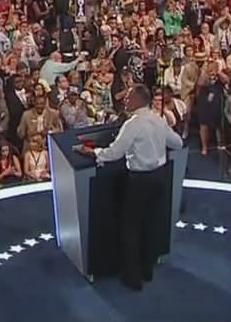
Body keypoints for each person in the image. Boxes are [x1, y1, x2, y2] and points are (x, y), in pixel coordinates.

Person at [76, 84, 183, 291]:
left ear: (138, 100)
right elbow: (177, 143)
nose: (125, 100)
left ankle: (132, 277)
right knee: (150, 224)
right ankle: (147, 270)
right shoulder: (157, 120)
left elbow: (114, 152)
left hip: (139, 181)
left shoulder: (133, 124)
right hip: (159, 178)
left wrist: (93, 153)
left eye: (128, 97)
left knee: (131, 228)